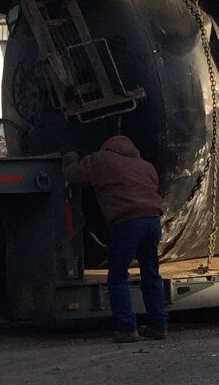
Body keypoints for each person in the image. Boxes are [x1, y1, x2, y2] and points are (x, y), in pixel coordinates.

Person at [64, 135, 168, 342]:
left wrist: (70, 156)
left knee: (118, 276)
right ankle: (159, 327)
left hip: (127, 223)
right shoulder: (145, 166)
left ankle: (128, 329)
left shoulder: (101, 160)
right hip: (152, 221)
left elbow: (72, 175)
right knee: (151, 274)